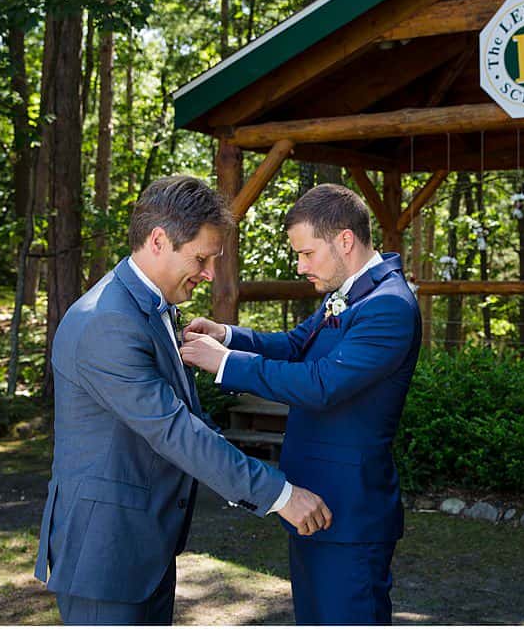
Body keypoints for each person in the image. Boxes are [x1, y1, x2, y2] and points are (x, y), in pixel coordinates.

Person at [34, 175, 332, 625]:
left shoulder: (149, 307)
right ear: (158, 241)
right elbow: (176, 431)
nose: (209, 273)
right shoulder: (106, 322)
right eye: (201, 258)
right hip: (106, 556)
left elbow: (193, 419)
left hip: (145, 547)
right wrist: (278, 494)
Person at [179, 183, 421, 625]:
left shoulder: (389, 306)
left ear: (344, 240)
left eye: (307, 253)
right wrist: (226, 335)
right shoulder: (349, 291)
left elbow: (321, 384)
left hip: (349, 513)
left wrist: (225, 364)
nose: (300, 264)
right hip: (311, 502)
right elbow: (295, 345)